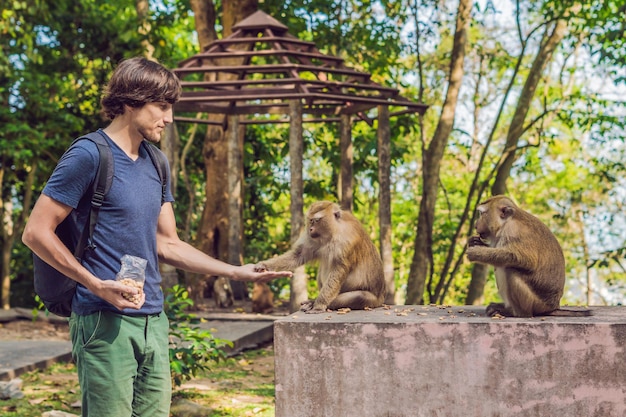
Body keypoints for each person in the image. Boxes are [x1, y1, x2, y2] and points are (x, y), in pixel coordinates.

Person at [22, 56, 292, 417]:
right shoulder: (89, 155)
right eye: (161, 107)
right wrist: (95, 284)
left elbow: (168, 243)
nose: (168, 118)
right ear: (131, 102)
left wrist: (235, 271)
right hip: (103, 320)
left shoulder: (156, 162)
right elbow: (36, 231)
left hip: (154, 320)